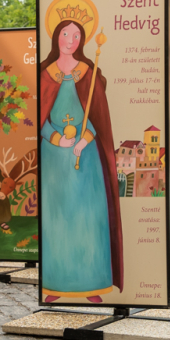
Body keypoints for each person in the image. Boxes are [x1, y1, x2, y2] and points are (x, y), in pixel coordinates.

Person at [39, 17, 123, 303]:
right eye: (66, 34)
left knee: (88, 219)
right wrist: (56, 138)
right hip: (53, 162)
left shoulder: (89, 73)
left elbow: (98, 118)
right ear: (56, 37)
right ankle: (54, 283)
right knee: (56, 221)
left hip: (86, 162)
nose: (71, 41)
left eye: (77, 36)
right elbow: (38, 118)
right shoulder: (44, 74)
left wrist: (84, 140)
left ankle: (91, 283)